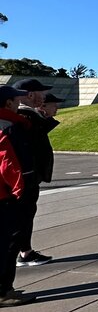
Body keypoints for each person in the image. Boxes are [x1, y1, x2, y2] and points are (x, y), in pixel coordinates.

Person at [0, 85, 36, 307]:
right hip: (4, 197)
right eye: (15, 99)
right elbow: (7, 164)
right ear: (8, 103)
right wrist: (19, 190)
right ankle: (4, 291)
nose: (18, 103)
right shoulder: (7, 126)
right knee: (7, 244)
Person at [12, 78, 54, 267]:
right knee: (22, 216)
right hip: (25, 178)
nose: (44, 97)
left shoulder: (26, 115)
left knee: (26, 215)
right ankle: (23, 254)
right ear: (30, 94)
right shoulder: (22, 117)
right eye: (41, 93)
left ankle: (25, 251)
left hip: (28, 177)